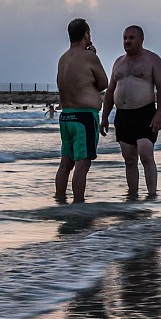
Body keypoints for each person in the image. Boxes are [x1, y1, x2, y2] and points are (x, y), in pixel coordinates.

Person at [108, 24, 161, 201]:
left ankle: (151, 196)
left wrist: (159, 113)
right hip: (123, 115)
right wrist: (104, 117)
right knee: (129, 159)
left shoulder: (152, 60)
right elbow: (111, 90)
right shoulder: (118, 62)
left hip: (145, 113)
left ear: (141, 39)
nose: (127, 41)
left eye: (131, 38)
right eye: (125, 38)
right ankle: (132, 197)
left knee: (146, 153)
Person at [54, 17, 109, 204]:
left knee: (65, 163)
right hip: (84, 117)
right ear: (86, 34)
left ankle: (60, 200)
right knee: (82, 163)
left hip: (66, 116)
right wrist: (94, 55)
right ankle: (78, 204)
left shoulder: (63, 59)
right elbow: (104, 83)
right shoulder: (89, 57)